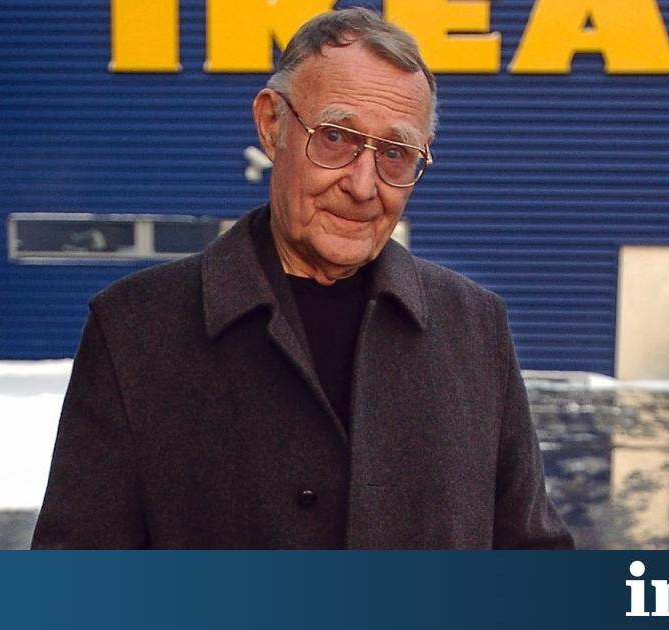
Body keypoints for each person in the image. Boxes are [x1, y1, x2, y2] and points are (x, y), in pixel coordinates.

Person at [32, 8, 573, 549]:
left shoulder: (474, 327)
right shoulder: (136, 330)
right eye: (336, 137)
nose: (363, 186)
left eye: (395, 153)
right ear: (272, 126)